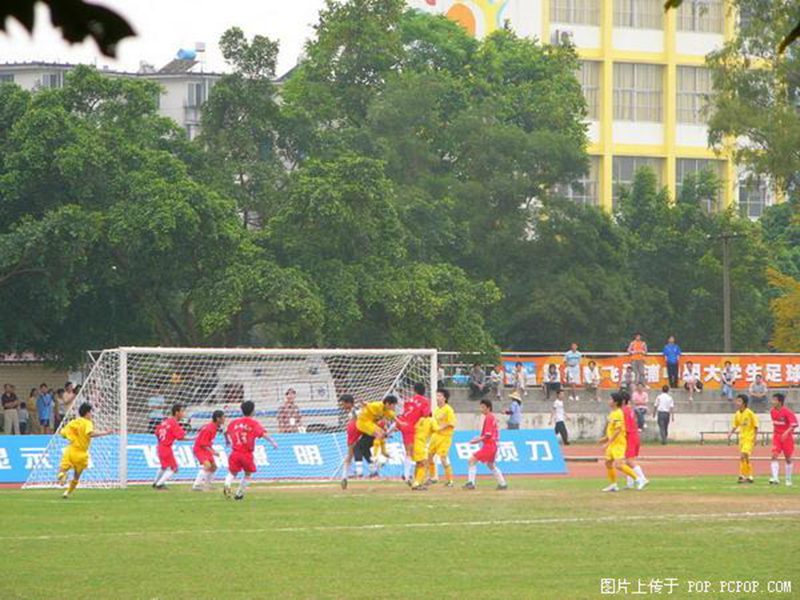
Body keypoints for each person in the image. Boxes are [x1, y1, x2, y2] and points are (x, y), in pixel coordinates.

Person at [224, 400, 278, 500]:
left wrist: (227, 441)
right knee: (248, 473)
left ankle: (227, 486)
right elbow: (263, 434)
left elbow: (225, 432)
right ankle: (239, 494)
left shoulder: (234, 423)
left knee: (232, 473)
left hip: (234, 452)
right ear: (253, 411)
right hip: (246, 453)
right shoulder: (253, 423)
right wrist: (272, 442)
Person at [56, 402, 112, 498]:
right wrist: (105, 433)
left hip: (71, 451)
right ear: (87, 413)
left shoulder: (74, 422)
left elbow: (63, 433)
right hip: (81, 454)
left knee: (62, 470)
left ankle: (62, 476)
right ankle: (67, 492)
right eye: (91, 412)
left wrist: (70, 436)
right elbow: (90, 433)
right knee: (76, 476)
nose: (91, 414)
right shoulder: (87, 423)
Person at [342, 395, 398, 489]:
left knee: (352, 451)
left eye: (343, 404)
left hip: (357, 427)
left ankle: (351, 474)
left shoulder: (357, 411)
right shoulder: (365, 407)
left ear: (349, 403)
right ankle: (373, 467)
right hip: (367, 427)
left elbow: (368, 411)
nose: (343, 406)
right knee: (363, 447)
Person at [599, 393, 640, 492]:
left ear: (615, 402)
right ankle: (613, 484)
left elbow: (618, 430)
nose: (609, 401)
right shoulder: (612, 413)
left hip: (618, 443)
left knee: (619, 465)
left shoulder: (618, 413)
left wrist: (607, 443)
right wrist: (605, 438)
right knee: (608, 463)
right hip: (613, 443)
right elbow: (612, 429)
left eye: (610, 399)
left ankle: (638, 479)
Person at [463, 399, 507, 490]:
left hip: (489, 445)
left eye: (483, 407)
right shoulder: (492, 417)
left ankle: (471, 483)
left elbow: (488, 435)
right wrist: (479, 438)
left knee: (471, 460)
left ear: (488, 408)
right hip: (493, 445)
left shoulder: (489, 417)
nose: (481, 409)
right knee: (491, 465)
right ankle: (502, 483)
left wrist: (477, 440)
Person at [395, 382, 430, 484]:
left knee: (408, 451)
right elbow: (426, 414)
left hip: (402, 424)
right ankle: (407, 476)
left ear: (414, 390)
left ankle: (407, 474)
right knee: (411, 453)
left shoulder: (409, 400)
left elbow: (405, 412)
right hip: (411, 427)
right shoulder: (425, 401)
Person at [152, 403, 188, 490]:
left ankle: (155, 483)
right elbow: (180, 437)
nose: (184, 414)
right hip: (166, 448)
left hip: (160, 446)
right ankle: (160, 484)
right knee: (174, 468)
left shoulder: (165, 421)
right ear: (177, 413)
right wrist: (193, 438)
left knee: (164, 467)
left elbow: (156, 433)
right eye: (182, 411)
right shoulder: (174, 423)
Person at [191, 409, 226, 492]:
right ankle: (196, 485)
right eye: (223, 417)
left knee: (214, 467)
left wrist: (212, 450)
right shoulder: (209, 428)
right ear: (218, 419)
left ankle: (208, 485)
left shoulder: (213, 427)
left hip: (205, 448)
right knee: (207, 466)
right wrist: (213, 452)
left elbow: (207, 442)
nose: (224, 419)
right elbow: (203, 443)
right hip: (199, 449)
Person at [427, 388, 456, 487]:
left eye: (439, 396)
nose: (437, 397)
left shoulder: (448, 409)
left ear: (445, 398)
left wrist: (441, 427)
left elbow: (452, 423)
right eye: (437, 395)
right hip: (435, 436)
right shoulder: (436, 410)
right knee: (429, 456)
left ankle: (450, 480)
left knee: (443, 458)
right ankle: (433, 477)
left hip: (445, 437)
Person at [728, 394, 759, 484]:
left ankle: (744, 475)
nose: (737, 403)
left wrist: (755, 438)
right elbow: (735, 425)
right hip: (742, 438)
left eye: (739, 401)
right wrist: (731, 433)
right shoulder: (737, 414)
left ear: (744, 403)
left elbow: (756, 426)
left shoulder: (750, 413)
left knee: (743, 455)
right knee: (745, 457)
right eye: (737, 401)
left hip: (749, 438)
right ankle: (748, 475)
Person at [621, 391, 649, 490]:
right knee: (628, 460)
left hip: (630, 436)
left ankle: (643, 478)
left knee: (629, 460)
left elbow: (625, 427)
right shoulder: (630, 409)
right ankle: (630, 483)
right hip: (634, 435)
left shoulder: (624, 411)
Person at [769, 393, 796, 486]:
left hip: (787, 438)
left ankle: (788, 479)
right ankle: (775, 478)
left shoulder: (787, 412)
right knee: (774, 455)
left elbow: (794, 424)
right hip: (777, 437)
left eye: (774, 400)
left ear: (780, 402)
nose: (772, 402)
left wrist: (786, 432)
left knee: (788, 458)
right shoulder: (772, 411)